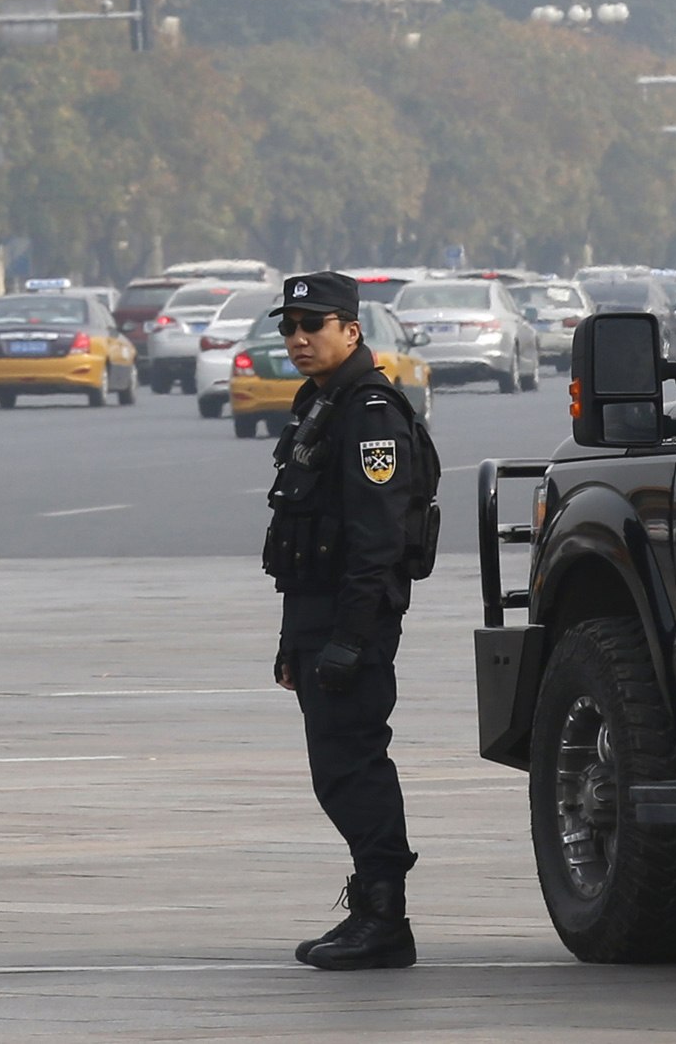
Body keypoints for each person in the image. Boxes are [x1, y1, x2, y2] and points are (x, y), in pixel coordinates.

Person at [262, 269, 437, 970]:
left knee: (353, 764)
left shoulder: (369, 413)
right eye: (289, 328)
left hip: (350, 617)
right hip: (315, 615)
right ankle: (370, 904)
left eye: (314, 325)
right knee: (335, 767)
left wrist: (351, 638)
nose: (299, 339)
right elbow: (301, 534)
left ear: (351, 329)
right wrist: (291, 640)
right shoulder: (322, 403)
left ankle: (386, 916)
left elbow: (377, 542)